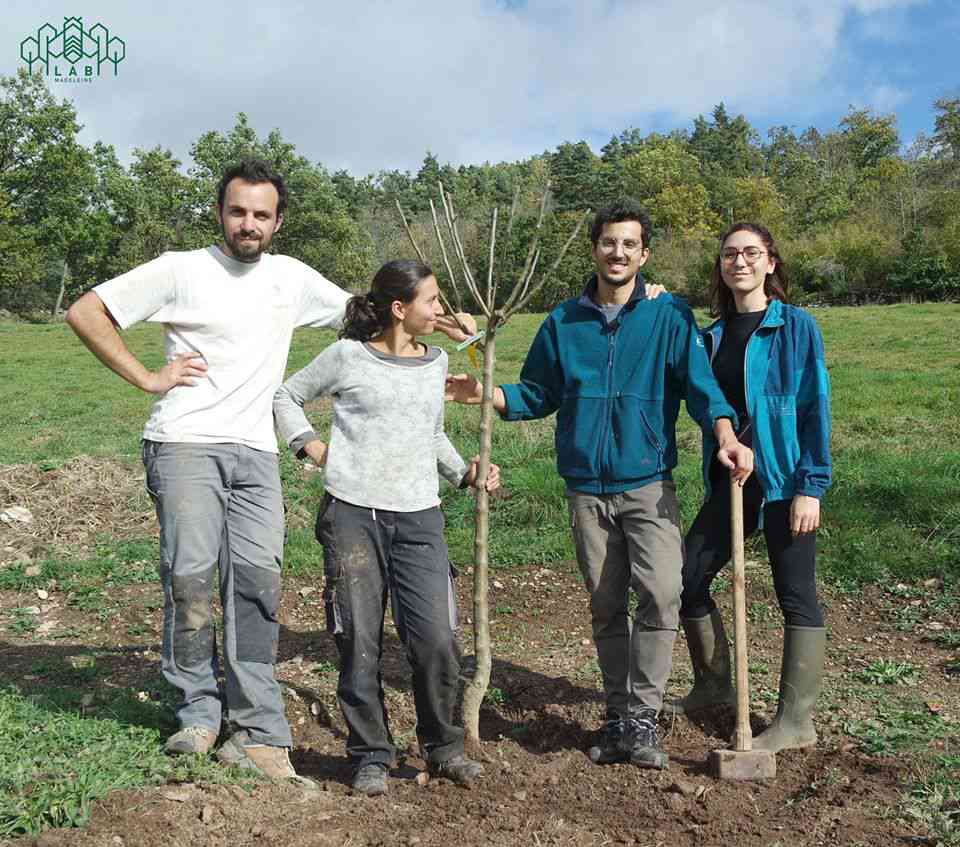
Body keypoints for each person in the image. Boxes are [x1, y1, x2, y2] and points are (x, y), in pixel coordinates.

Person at [64, 159, 471, 784]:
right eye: (237, 211)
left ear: (278, 221)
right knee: (192, 581)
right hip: (186, 443)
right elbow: (87, 312)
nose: (248, 223)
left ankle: (256, 728)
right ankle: (198, 712)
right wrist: (149, 377)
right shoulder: (180, 269)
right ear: (220, 212)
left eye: (261, 214)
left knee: (257, 586)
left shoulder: (291, 278)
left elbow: (373, 313)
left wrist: (453, 325)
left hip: (257, 452)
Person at [446, 200, 752, 769]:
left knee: (662, 593)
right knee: (606, 604)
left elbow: (702, 388)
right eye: (609, 242)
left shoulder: (669, 317)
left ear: (644, 254)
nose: (618, 253)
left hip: (648, 484)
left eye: (630, 245)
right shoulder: (563, 322)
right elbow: (538, 392)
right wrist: (484, 394)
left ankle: (643, 715)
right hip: (586, 487)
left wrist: (726, 435)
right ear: (596, 249)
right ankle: (619, 717)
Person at [273, 259, 500, 796]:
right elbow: (286, 395)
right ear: (400, 309)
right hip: (353, 514)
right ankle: (371, 753)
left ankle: (443, 748)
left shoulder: (436, 362)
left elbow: (432, 433)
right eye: (432, 301)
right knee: (359, 639)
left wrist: (465, 472)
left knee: (438, 638)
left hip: (420, 515)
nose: (440, 309)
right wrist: (308, 444)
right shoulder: (348, 357)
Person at [665, 222, 831, 755]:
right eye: (730, 254)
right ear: (720, 266)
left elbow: (813, 408)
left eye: (751, 253)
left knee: (795, 594)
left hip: (784, 480)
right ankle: (714, 684)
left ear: (770, 263)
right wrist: (658, 299)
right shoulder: (708, 336)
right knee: (685, 578)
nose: (739, 262)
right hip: (729, 482)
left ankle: (795, 721)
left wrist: (812, 485)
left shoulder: (796, 327)